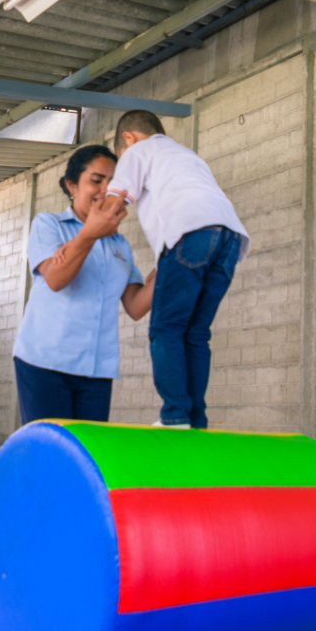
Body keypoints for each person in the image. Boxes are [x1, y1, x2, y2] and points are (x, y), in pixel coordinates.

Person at [102, 110, 249, 429]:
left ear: (128, 138)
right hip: (229, 238)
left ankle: (174, 415)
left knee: (166, 328)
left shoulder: (137, 151)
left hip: (190, 231)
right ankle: (195, 418)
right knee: (196, 332)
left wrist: (87, 233)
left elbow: (115, 202)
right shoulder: (186, 155)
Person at [12, 144, 156, 424]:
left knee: (86, 455)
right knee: (54, 456)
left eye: (113, 183)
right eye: (96, 180)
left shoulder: (120, 245)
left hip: (97, 370)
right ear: (72, 185)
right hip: (45, 362)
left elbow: (136, 306)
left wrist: (170, 262)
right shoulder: (49, 225)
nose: (105, 190)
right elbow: (56, 279)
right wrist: (90, 233)